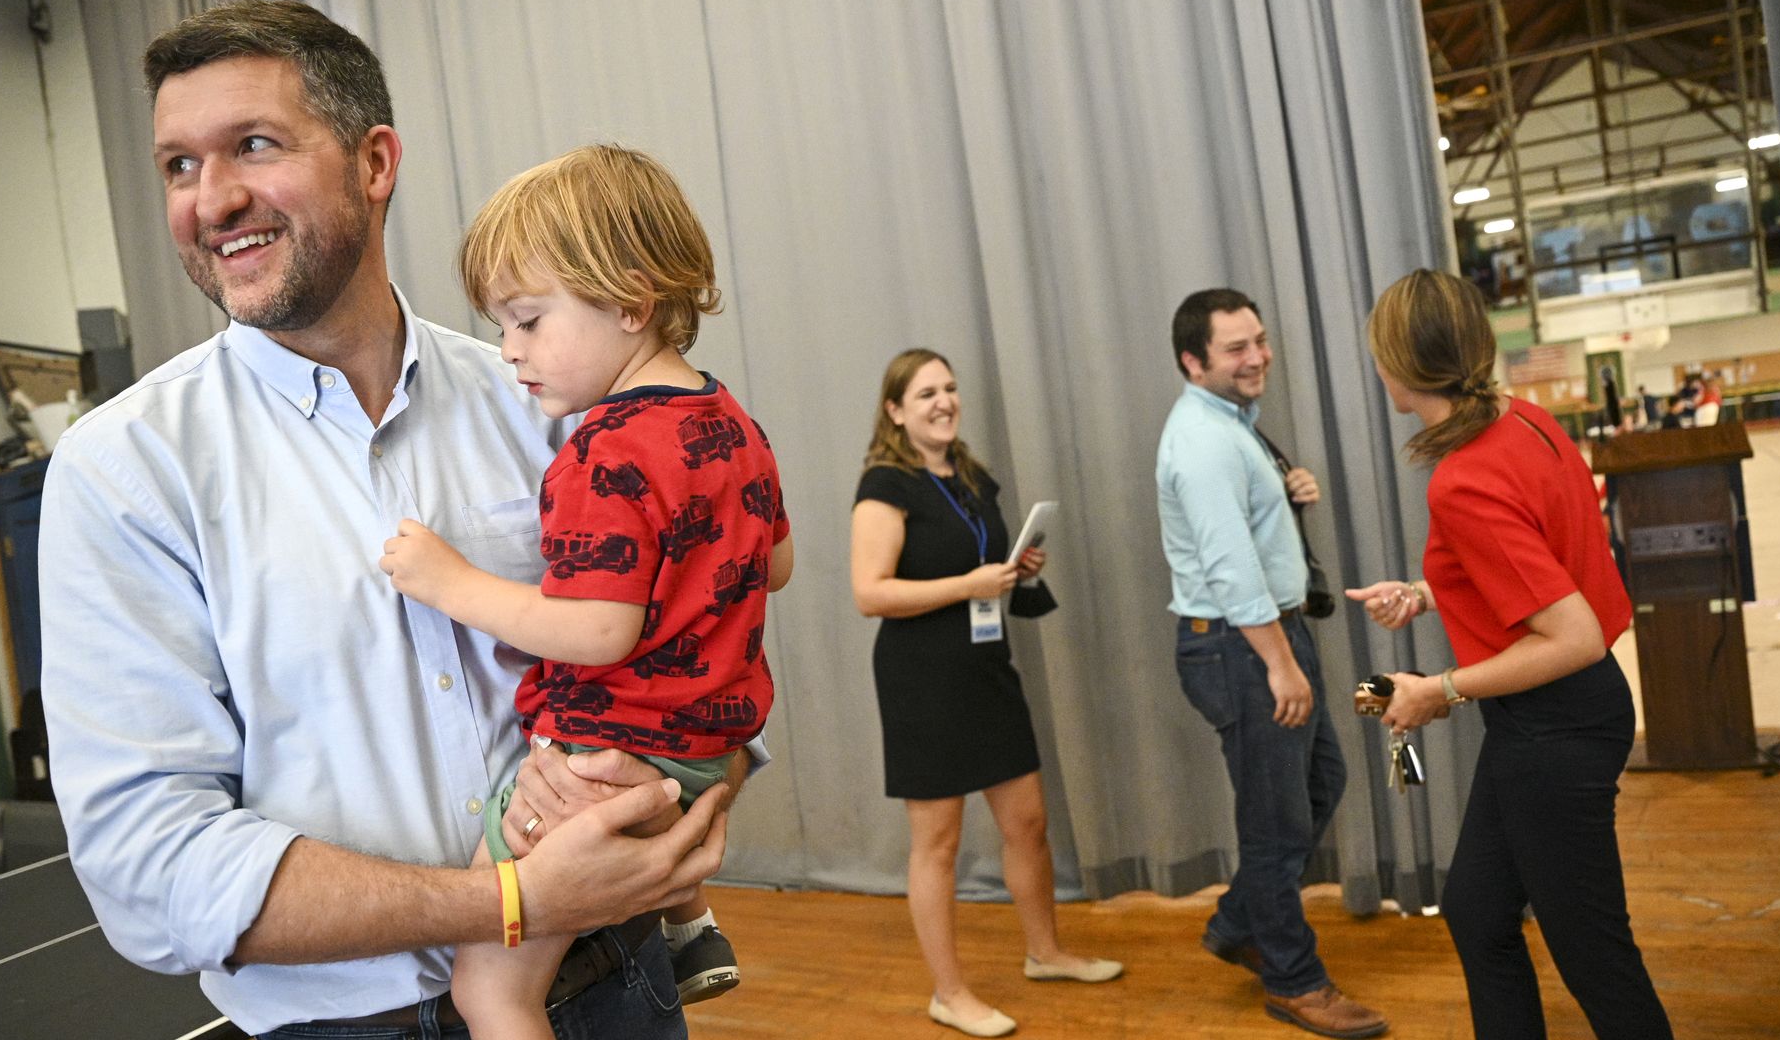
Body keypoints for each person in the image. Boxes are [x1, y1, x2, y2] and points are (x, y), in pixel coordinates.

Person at [39, 0, 731, 1039]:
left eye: (253, 146)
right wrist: (510, 903)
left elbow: (708, 620)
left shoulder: (551, 402)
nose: (212, 199)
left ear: (374, 162)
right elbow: (153, 865)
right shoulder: (124, 471)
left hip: (619, 986)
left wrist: (684, 803)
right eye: (179, 166)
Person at [376, 144, 792, 1037]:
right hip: (703, 744)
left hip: (601, 759)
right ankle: (690, 928)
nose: (508, 350)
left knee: (490, 994)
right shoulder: (733, 423)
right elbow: (777, 562)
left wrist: (450, 581)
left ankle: (685, 926)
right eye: (501, 325)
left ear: (631, 303)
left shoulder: (602, 451)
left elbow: (597, 631)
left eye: (528, 321)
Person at [1346, 269, 1672, 1039]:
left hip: (1555, 728)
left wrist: (1438, 689)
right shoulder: (1523, 420)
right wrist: (1431, 592)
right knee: (1477, 910)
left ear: (1400, 365)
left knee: (1594, 957)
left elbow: (1572, 636)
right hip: (1555, 719)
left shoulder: (1461, 480)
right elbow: (1535, 565)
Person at [849, 349, 1122, 1038]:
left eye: (949, 388)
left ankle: (1046, 953)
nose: (944, 401)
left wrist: (1013, 569)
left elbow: (977, 561)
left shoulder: (970, 476)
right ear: (895, 411)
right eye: (925, 393)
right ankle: (949, 993)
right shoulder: (885, 484)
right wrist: (969, 586)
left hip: (984, 667)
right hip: (921, 679)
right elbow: (870, 593)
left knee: (1027, 823)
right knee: (937, 844)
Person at [1155, 289, 1386, 1039]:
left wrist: (1286, 498)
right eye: (1236, 348)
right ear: (1193, 362)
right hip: (1242, 646)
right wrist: (1281, 665)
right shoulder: (1204, 440)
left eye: (1259, 340)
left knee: (1319, 785)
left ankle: (1238, 923)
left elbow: (1243, 532)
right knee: (1275, 823)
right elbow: (1229, 569)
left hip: (1264, 637)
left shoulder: (1233, 425)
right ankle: (1294, 980)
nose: (1257, 357)